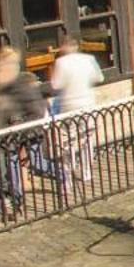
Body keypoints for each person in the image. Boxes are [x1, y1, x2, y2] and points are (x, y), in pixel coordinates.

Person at [0, 46, 50, 204]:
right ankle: (17, 200)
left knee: (38, 164)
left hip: (27, 130)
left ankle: (61, 173)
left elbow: (35, 108)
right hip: (11, 134)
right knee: (13, 165)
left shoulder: (21, 81)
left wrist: (23, 127)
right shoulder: (1, 84)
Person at [50, 36, 102, 183]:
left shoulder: (60, 62)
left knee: (69, 141)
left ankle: (69, 173)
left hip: (69, 105)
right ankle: (86, 172)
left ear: (64, 47)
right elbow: (99, 77)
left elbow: (55, 85)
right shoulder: (89, 59)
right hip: (87, 103)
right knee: (87, 138)